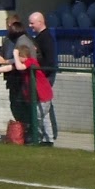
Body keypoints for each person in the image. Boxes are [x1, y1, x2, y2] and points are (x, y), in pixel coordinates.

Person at [0, 36, 55, 145]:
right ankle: (47, 140)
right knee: (42, 118)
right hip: (36, 95)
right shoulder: (23, 63)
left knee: (38, 117)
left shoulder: (31, 62)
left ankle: (41, 138)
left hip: (43, 95)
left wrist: (15, 55)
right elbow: (10, 67)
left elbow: (19, 67)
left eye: (19, 57)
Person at [28, 10, 58, 141]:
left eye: (32, 23)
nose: (30, 26)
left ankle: (41, 136)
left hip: (45, 76)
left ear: (40, 22)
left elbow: (49, 60)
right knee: (44, 109)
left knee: (40, 110)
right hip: (43, 75)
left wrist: (42, 74)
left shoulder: (46, 38)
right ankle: (47, 137)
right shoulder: (40, 38)